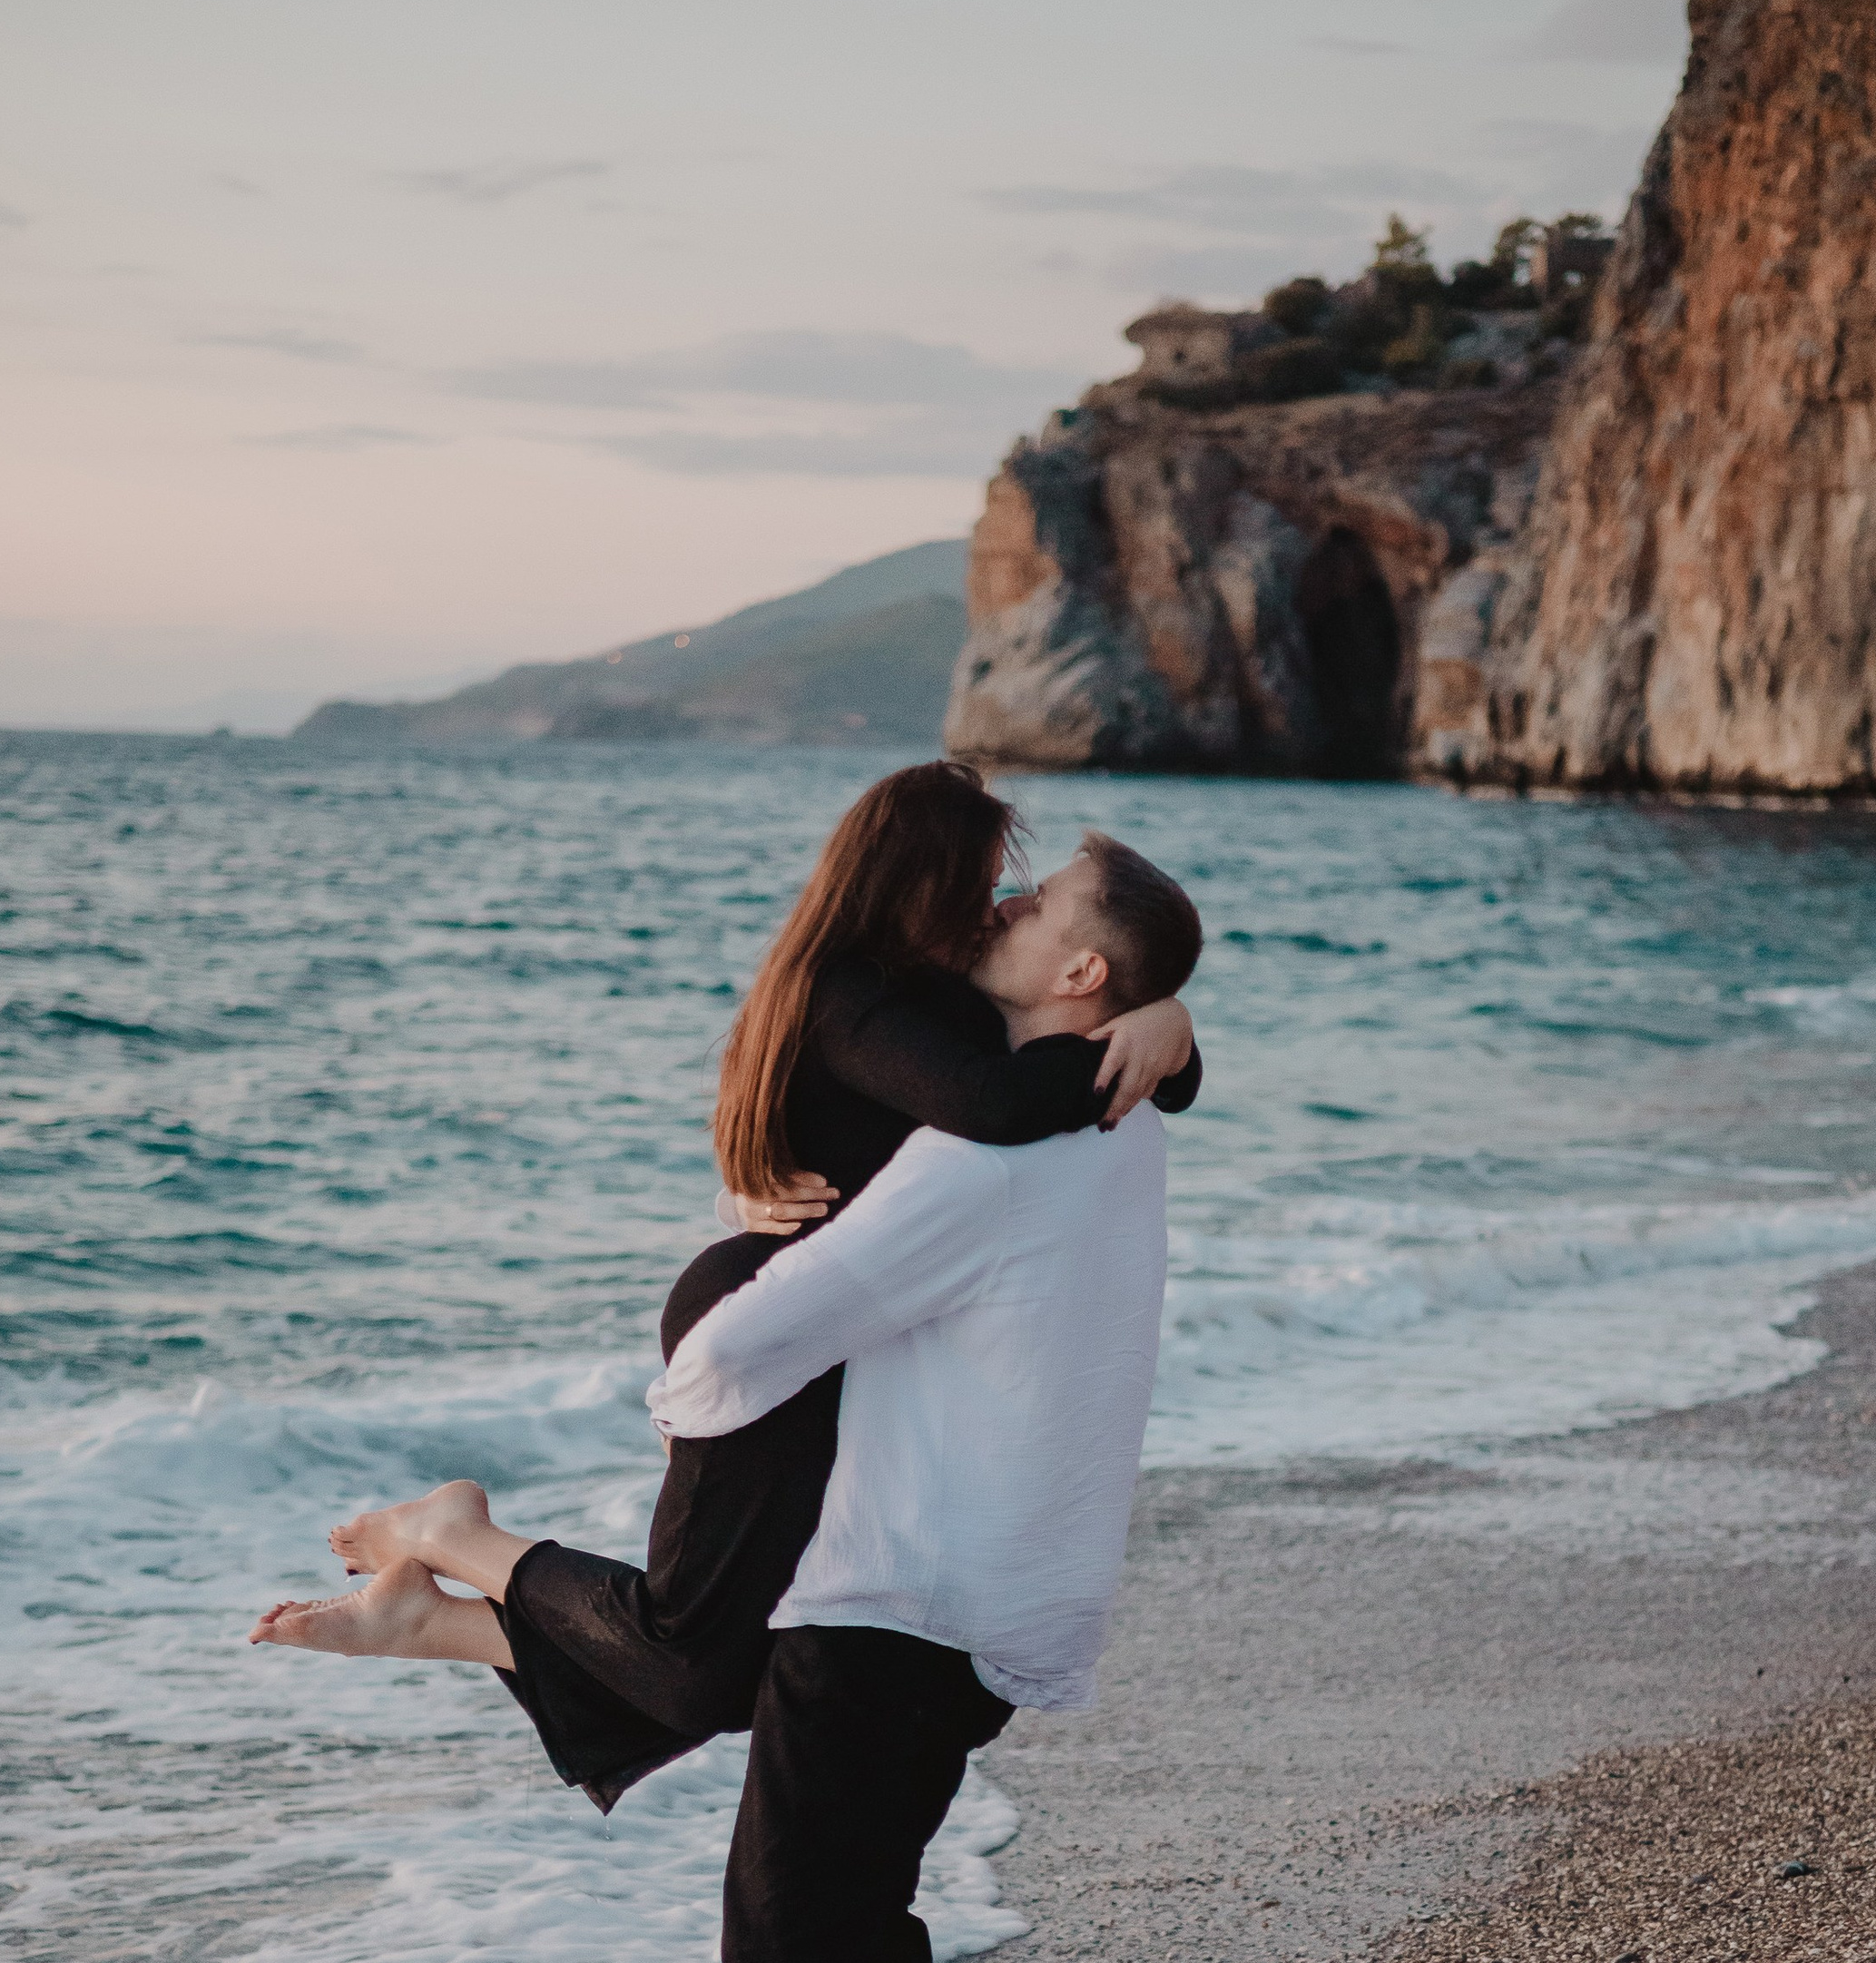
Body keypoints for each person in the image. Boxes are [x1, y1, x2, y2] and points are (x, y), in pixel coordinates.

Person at [248, 764, 1200, 1799]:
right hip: (761, 1327)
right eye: (979, 884)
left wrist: (1169, 1029)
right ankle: (449, 1538)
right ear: (911, 884)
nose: (1000, 908)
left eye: (1013, 891)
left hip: (829, 1334)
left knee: (761, 1659)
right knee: (697, 1665)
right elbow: (995, 1102)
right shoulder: (850, 993)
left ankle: (433, 1621)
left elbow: (1046, 1045)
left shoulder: (938, 993)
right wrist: (1143, 1037)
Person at [644, 831, 1204, 1963]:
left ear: (1079, 974)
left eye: (1032, 904)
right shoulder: (1128, 1117)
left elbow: (725, 1365)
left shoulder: (979, 1163)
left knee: (777, 1937)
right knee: (866, 1874)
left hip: (901, 1590)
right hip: (1026, 1591)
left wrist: (741, 1291)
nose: (1001, 902)